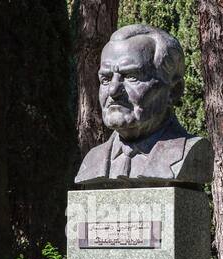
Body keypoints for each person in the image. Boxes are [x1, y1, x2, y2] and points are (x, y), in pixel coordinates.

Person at [75, 24, 213, 186]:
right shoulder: (91, 161)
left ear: (173, 91)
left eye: (131, 77)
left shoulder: (189, 152)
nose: (113, 90)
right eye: (105, 79)